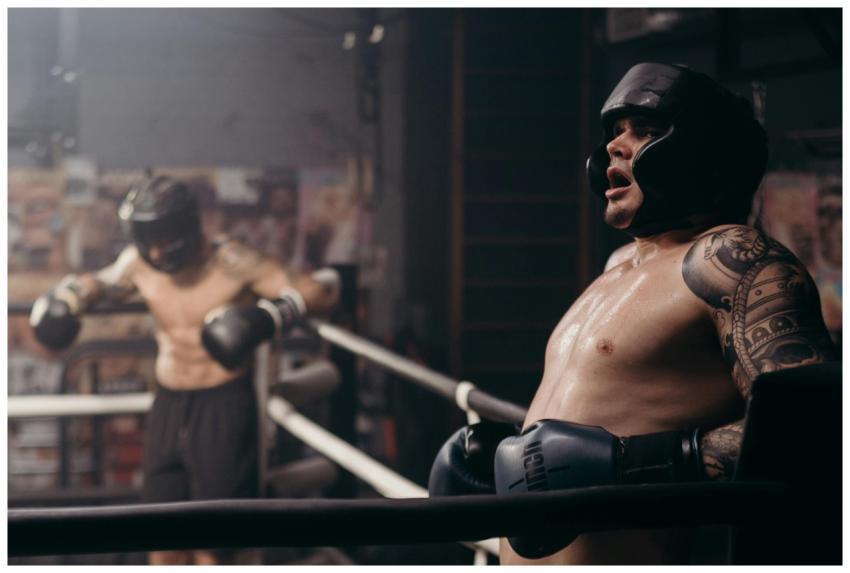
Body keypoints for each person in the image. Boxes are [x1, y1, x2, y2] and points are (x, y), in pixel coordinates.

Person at [428, 63, 838, 564]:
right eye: (615, 134)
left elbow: (811, 428)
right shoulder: (619, 265)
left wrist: (632, 467)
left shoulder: (734, 258)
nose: (614, 148)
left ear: (700, 152)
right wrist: (505, 461)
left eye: (643, 132)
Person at [29, 175, 340, 565]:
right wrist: (70, 295)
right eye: (148, 239)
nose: (158, 251)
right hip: (169, 401)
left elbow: (319, 291)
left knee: (215, 542)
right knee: (160, 534)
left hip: (223, 403)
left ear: (187, 228)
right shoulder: (139, 264)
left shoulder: (232, 262)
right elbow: (101, 282)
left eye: (165, 237)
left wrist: (271, 316)